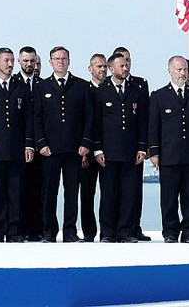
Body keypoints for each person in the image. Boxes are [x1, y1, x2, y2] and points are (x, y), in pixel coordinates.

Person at [32, 46, 92, 242]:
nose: (60, 61)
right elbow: (36, 118)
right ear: (50, 62)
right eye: (56, 58)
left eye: (63, 58)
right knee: (49, 192)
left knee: (72, 193)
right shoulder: (41, 87)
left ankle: (70, 231)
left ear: (69, 61)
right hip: (50, 150)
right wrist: (41, 144)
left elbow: (89, 118)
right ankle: (49, 231)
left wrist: (85, 143)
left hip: (74, 150)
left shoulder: (81, 86)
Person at [148, 55, 189, 243]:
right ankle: (170, 232)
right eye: (178, 70)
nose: (182, 73)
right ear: (169, 71)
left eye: (185, 70)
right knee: (168, 197)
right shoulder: (159, 96)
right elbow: (153, 126)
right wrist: (154, 152)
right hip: (168, 155)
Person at [90, 53, 148, 243]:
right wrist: (97, 149)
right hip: (108, 152)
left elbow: (142, 121)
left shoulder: (136, 90)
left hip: (131, 152)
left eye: (127, 65)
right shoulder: (100, 91)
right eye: (121, 66)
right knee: (108, 194)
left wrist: (142, 148)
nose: (125, 68)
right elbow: (95, 123)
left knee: (129, 194)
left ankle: (126, 232)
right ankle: (107, 232)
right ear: (111, 68)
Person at [0, 47, 34, 242]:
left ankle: (14, 231)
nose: (10, 64)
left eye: (12, 60)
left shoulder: (21, 87)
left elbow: (28, 118)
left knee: (16, 192)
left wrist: (29, 144)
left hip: (16, 148)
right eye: (6, 60)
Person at [15, 46, 44, 241]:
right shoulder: (14, 84)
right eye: (26, 61)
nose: (29, 64)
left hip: (40, 146)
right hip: (18, 147)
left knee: (38, 189)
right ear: (19, 61)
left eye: (32, 61)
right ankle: (19, 228)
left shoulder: (43, 85)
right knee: (18, 189)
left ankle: (36, 229)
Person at [80, 52, 107, 242]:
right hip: (87, 152)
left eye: (105, 66)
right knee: (87, 194)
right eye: (99, 66)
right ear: (90, 69)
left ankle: (107, 232)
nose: (103, 70)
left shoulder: (111, 89)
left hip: (108, 151)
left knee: (108, 194)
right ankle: (89, 232)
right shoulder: (83, 90)